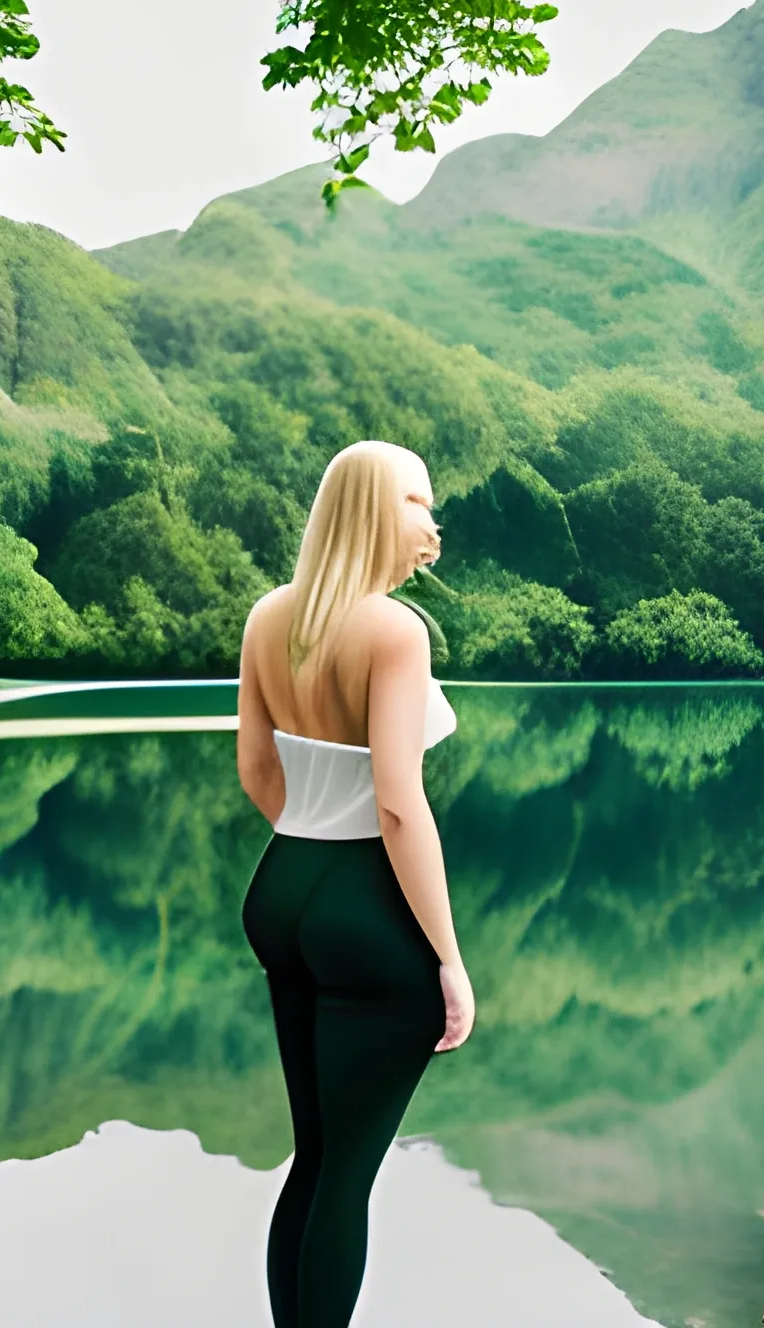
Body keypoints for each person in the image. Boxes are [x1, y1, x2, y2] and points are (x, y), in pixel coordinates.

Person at [236, 439, 474, 1328]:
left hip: (284, 885)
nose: (432, 524)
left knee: (313, 1159)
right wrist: (449, 961)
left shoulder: (270, 617)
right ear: (372, 508)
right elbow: (401, 806)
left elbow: (257, 771)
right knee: (349, 1176)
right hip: (365, 909)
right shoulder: (394, 631)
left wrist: (311, 854)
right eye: (418, 502)